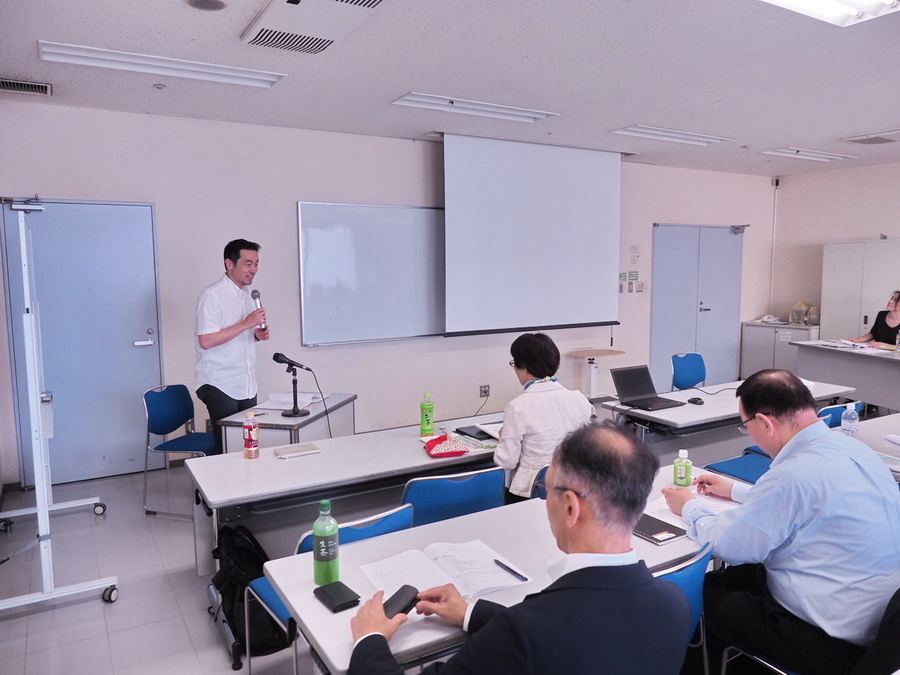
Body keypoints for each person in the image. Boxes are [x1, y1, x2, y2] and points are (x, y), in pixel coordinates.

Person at [349, 420, 691, 675]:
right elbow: (585, 635)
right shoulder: (674, 603)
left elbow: (535, 636)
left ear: (570, 507)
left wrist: (369, 640)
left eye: (548, 489)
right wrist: (471, 613)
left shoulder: (525, 633)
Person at [662, 369, 900, 675]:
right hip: (880, 621)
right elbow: (811, 505)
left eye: (746, 425)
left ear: (765, 422)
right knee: (740, 577)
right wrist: (735, 491)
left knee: (698, 597)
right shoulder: (854, 449)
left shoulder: (793, 474)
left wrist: (689, 507)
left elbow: (730, 545)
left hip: (826, 639)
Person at [495, 333, 593, 503]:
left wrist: (503, 438)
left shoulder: (518, 407)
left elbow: (506, 462)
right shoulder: (579, 399)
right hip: (574, 489)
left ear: (524, 367)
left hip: (533, 493)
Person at [195, 239, 269, 454]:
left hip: (246, 381)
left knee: (248, 443)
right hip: (220, 382)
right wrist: (246, 324)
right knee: (227, 447)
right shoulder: (212, 295)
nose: (253, 270)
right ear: (229, 264)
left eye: (256, 264)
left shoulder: (248, 294)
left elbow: (238, 334)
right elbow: (206, 341)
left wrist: (256, 334)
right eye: (248, 264)